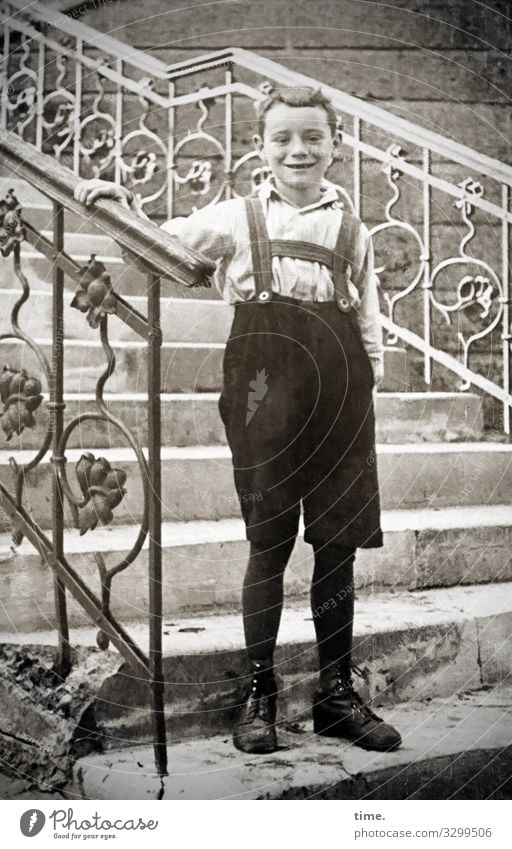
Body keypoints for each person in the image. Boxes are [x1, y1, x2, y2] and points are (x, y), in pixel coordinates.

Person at [74, 85, 402, 755]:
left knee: (337, 542)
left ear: (335, 146)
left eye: (313, 136)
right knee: (270, 539)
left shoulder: (352, 227)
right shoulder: (237, 212)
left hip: (341, 388)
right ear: (262, 148)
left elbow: (366, 315)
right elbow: (157, 246)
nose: (298, 149)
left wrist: (368, 382)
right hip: (262, 383)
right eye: (282, 138)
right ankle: (260, 692)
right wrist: (117, 203)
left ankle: (337, 693)